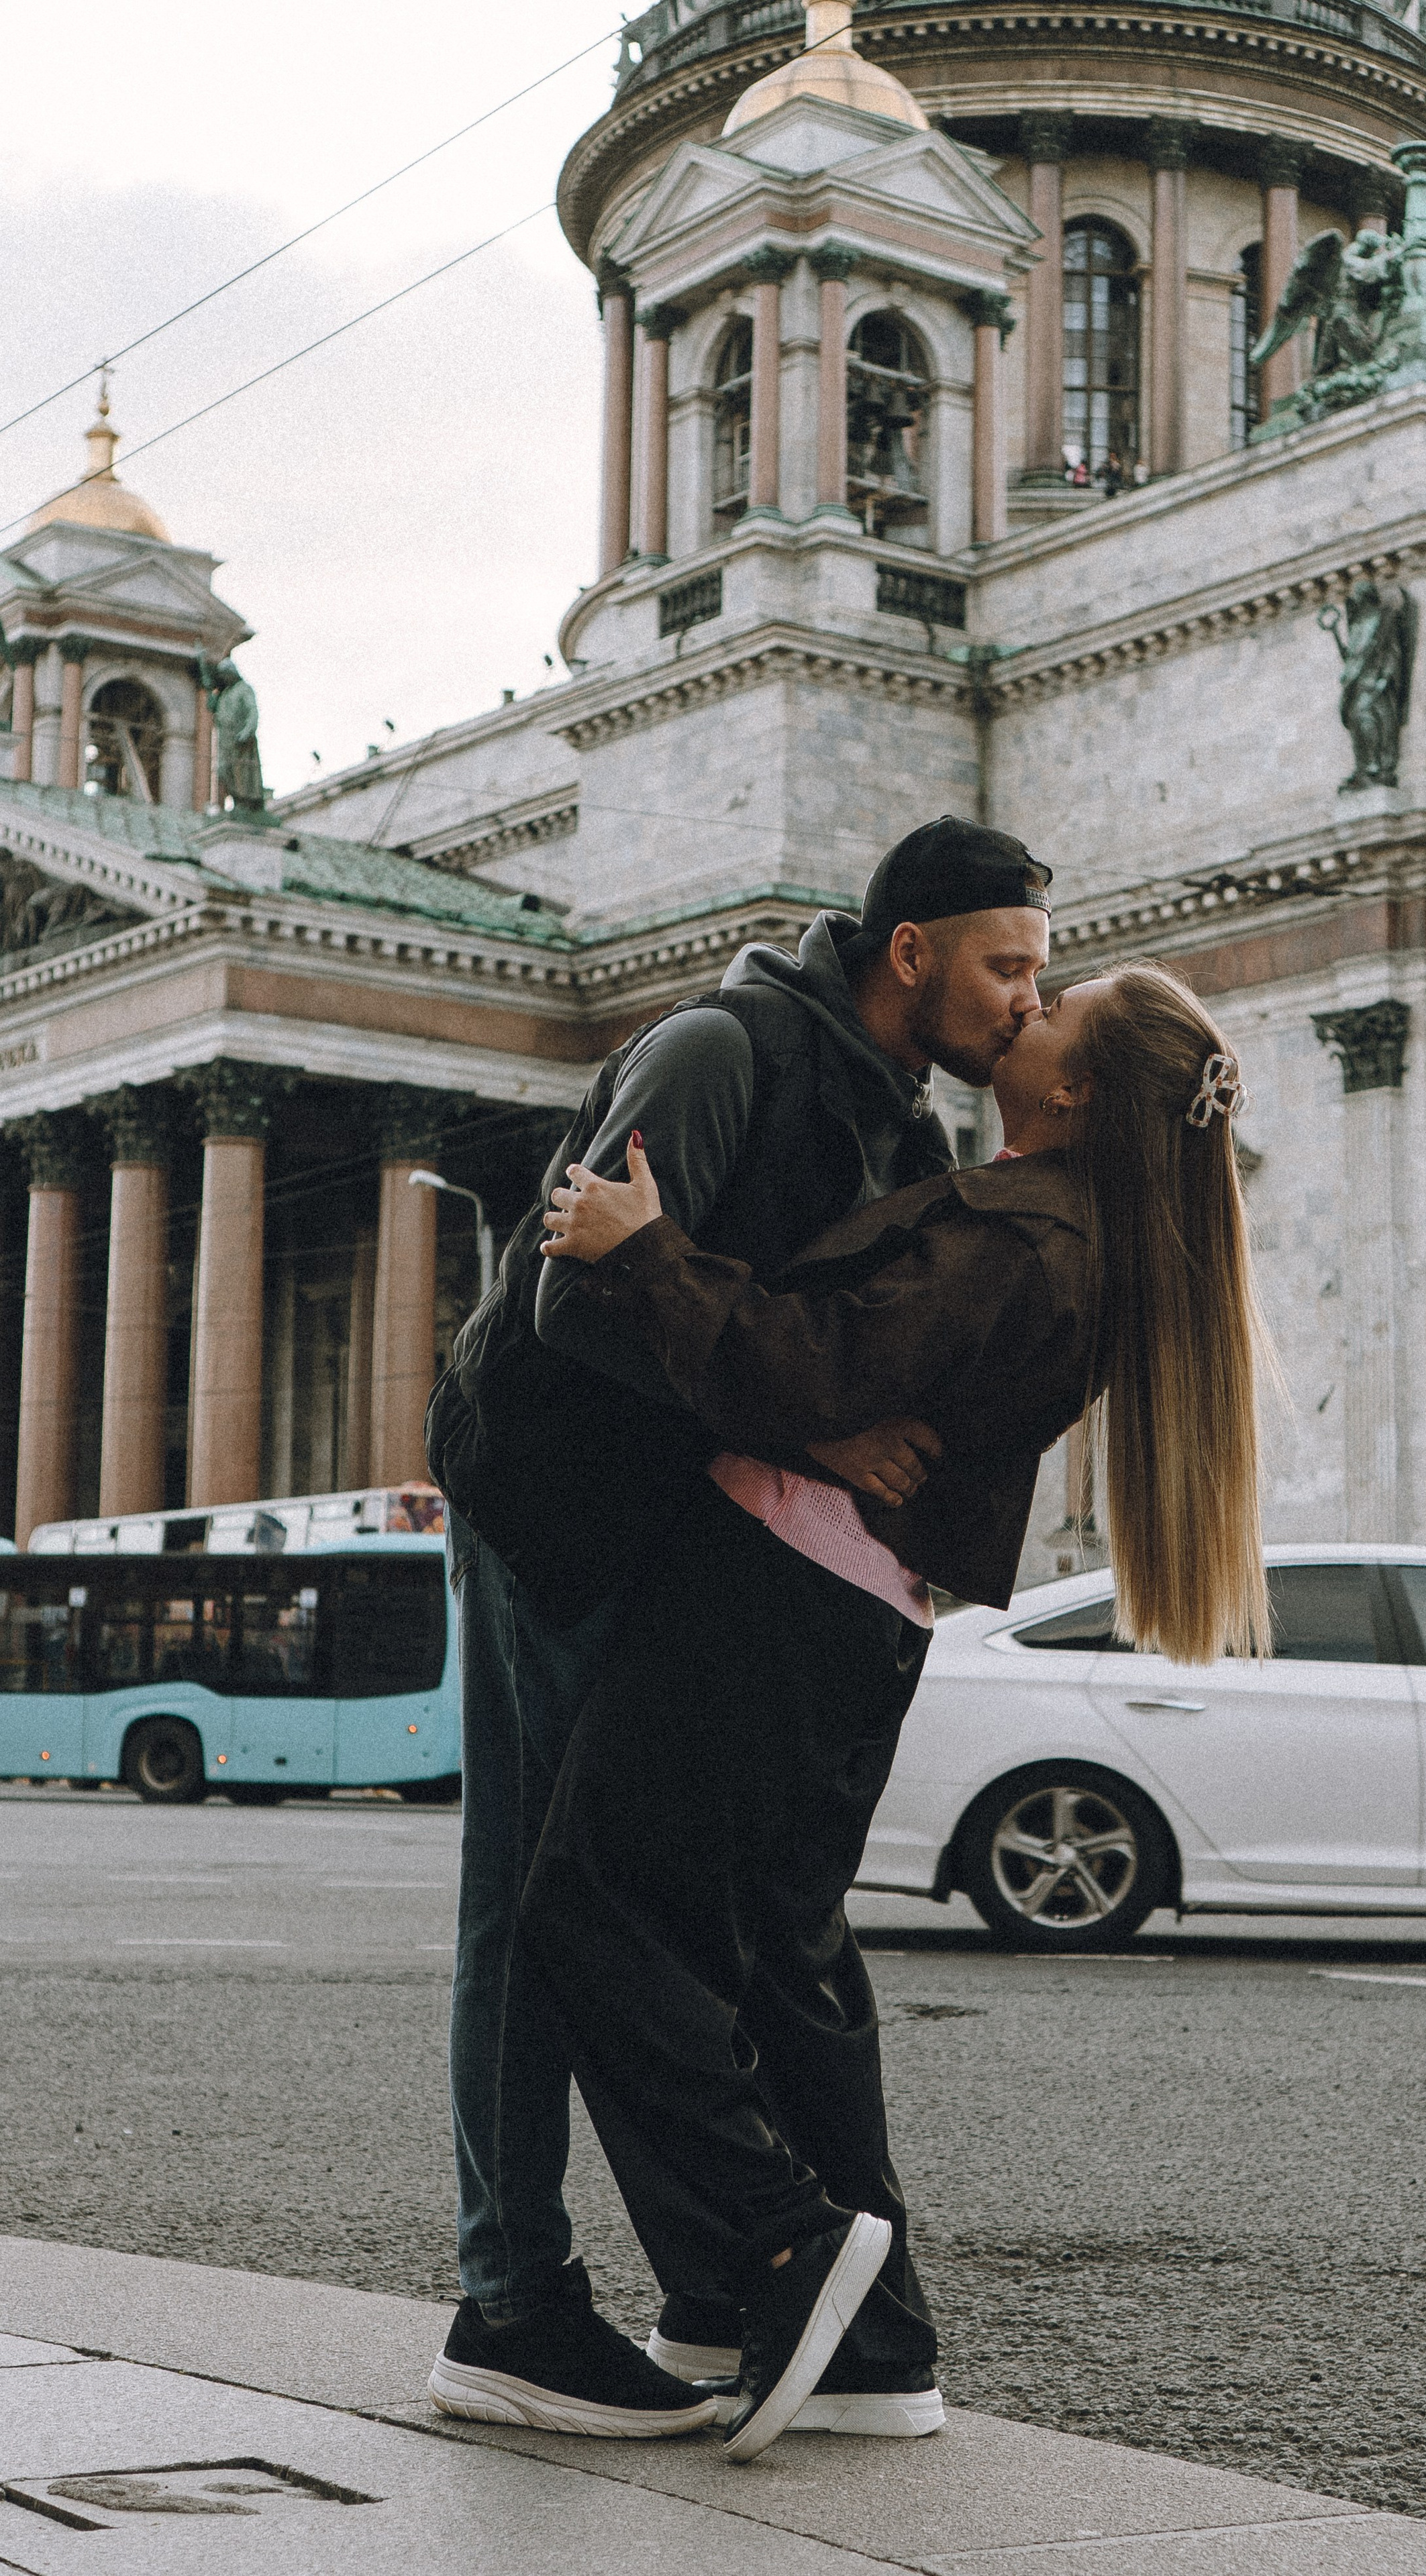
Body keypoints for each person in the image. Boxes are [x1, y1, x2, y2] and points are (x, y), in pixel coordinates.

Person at [521, 960, 1273, 2461]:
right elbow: (846, 1374)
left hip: (770, 1595)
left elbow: (812, 1360)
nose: (1026, 1005)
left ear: (1070, 1092)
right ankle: (863, 2343)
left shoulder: (1024, 1233)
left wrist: (642, 1243)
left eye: (1050, 1005)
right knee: (778, 1965)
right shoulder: (1055, 1224)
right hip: (838, 1610)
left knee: (587, 1918)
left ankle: (786, 2248)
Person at [423, 818, 1053, 2438]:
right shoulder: (718, 1049)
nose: (1025, 999)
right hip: (546, 1511)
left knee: (627, 1910)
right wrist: (816, 1444)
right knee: (532, 1901)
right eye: (1006, 963)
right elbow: (576, 1296)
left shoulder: (896, 1120)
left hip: (669, 1535)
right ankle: (510, 2306)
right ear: (909, 951)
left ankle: (710, 2295)